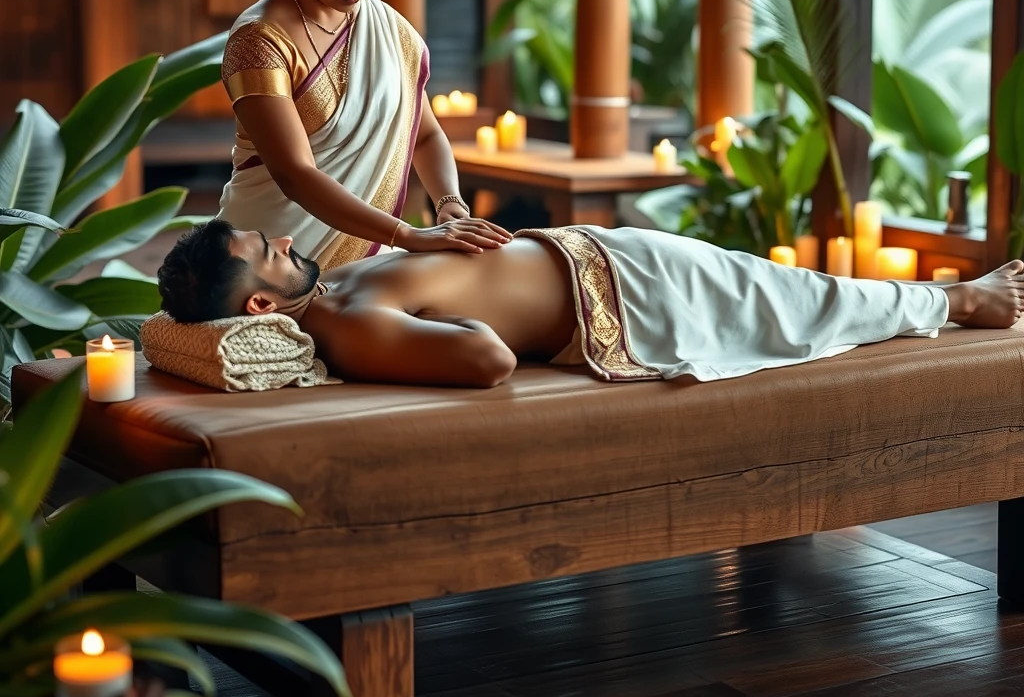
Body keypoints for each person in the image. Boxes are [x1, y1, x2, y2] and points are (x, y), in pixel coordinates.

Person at [157, 220, 1024, 389]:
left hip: (597, 254)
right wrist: (470, 306)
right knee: (796, 300)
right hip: (616, 298)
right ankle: (961, 300)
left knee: (786, 289)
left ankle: (950, 297)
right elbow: (487, 359)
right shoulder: (346, 327)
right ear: (263, 303)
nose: (280, 241)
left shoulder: (331, 286)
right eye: (263, 253)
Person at [216, 0, 510, 268]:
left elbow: (424, 135)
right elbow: (295, 174)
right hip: (269, 257)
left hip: (368, 250)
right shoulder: (259, 41)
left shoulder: (388, 30)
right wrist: (406, 235)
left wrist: (450, 205)